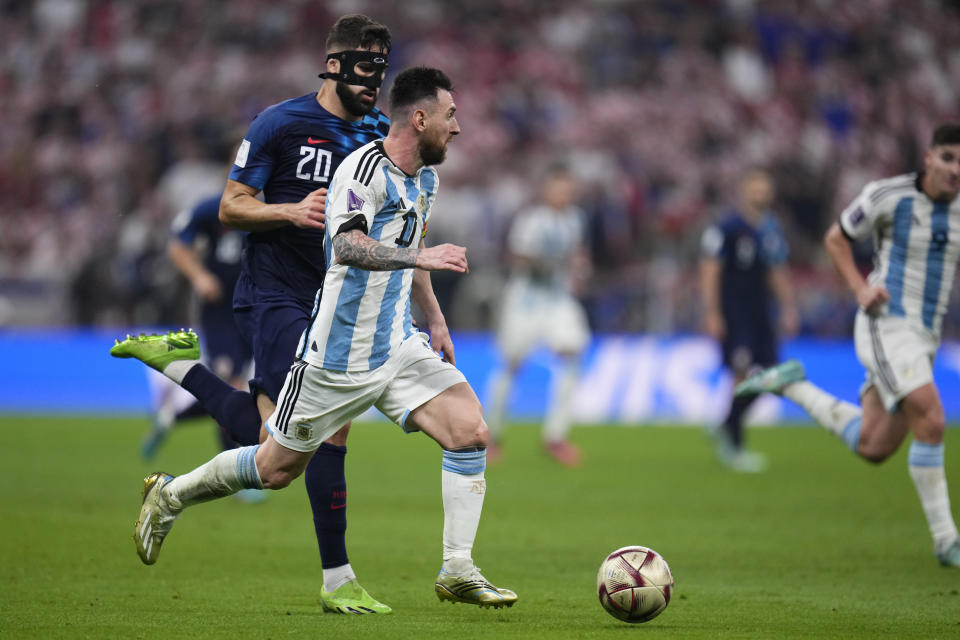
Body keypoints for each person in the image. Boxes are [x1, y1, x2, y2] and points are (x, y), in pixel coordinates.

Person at [132, 66, 518, 609]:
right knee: (274, 467)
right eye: (451, 116)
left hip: (398, 344)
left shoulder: (425, 178)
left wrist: (435, 318)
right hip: (337, 353)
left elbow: (414, 241)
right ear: (421, 117)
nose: (458, 128)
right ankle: (171, 493)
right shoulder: (362, 171)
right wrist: (418, 257)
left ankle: (457, 569)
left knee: (469, 432)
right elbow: (349, 247)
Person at [111, 14, 393, 613]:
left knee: (286, 451)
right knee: (306, 435)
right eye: (367, 67)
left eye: (383, 69)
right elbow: (234, 206)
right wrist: (289, 212)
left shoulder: (378, 133)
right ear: (335, 64)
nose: (376, 81)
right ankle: (338, 582)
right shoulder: (280, 123)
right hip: (275, 292)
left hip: (336, 299)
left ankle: (182, 375)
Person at [735, 123, 960, 566]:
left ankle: (792, 385)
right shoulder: (887, 196)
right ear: (929, 157)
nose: (957, 170)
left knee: (873, 447)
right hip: (887, 323)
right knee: (931, 418)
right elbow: (836, 238)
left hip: (926, 336)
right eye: (949, 157)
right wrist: (860, 289)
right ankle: (946, 540)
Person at [486, 164, 591, 467]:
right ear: (546, 190)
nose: (565, 194)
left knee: (572, 352)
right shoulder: (532, 219)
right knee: (511, 364)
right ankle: (492, 436)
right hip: (525, 301)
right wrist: (549, 262)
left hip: (557, 299)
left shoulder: (575, 220)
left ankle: (555, 437)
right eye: (559, 187)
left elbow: (576, 256)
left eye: (569, 188)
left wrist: (578, 267)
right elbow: (516, 255)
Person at [139, 193, 256, 466]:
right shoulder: (215, 208)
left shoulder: (275, 207)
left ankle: (169, 418)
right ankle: (237, 470)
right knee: (232, 385)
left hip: (253, 311)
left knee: (236, 390)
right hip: (219, 312)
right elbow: (177, 245)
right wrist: (199, 276)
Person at [699, 169, 799, 473]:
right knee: (739, 372)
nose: (760, 192)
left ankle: (727, 423)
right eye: (755, 187)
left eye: (765, 188)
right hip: (734, 311)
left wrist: (788, 307)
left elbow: (777, 270)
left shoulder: (771, 229)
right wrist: (712, 312)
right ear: (744, 190)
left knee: (773, 374)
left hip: (761, 312)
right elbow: (710, 270)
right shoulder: (727, 228)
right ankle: (735, 446)